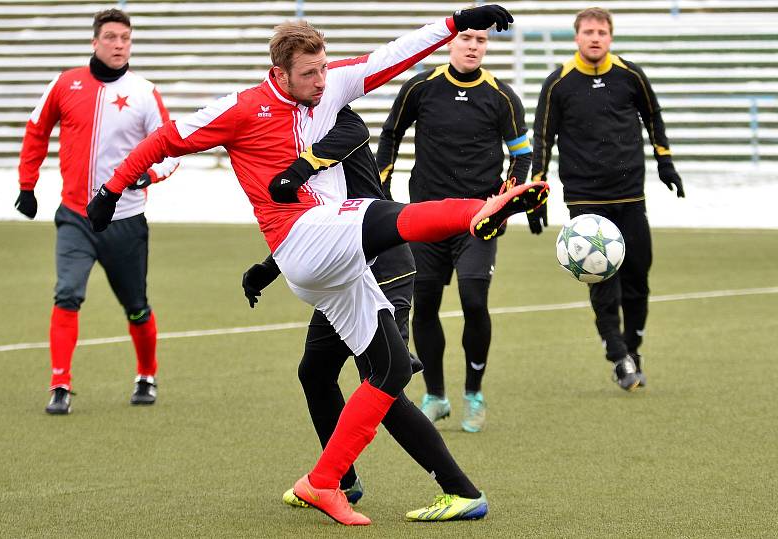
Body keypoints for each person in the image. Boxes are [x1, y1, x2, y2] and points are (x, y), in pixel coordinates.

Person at [86, 7, 548, 525]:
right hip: (303, 239)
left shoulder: (331, 91)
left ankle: (340, 483)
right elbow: (166, 138)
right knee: (378, 218)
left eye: (324, 69)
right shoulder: (242, 108)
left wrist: (454, 22)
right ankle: (475, 213)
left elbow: (393, 56)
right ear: (279, 73)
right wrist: (111, 188)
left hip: (341, 251)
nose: (321, 81)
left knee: (386, 370)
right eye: (309, 73)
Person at [242, 105, 488, 522]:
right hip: (344, 271)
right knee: (315, 372)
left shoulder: (342, 126)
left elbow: (340, 217)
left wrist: (294, 169)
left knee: (384, 385)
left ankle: (461, 492)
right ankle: (341, 481)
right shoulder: (305, 132)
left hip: (381, 270)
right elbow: (316, 224)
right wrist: (269, 267)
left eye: (318, 74)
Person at [14, 8, 179, 414]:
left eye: (125, 37)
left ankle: (146, 374)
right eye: (110, 37)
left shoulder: (144, 91)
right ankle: (60, 384)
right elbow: (37, 130)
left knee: (136, 305)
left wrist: (150, 176)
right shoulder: (65, 83)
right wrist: (27, 184)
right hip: (74, 216)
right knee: (67, 294)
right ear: (95, 41)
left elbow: (172, 149)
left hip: (125, 220)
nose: (119, 44)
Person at [375, 27, 533, 432]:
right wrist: (384, 186)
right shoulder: (421, 88)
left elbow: (521, 155)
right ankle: (436, 395)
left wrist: (505, 201)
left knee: (473, 299)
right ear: (451, 43)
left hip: (477, 219)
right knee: (423, 306)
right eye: (466, 39)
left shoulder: (502, 96)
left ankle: (474, 394)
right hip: (425, 215)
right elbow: (391, 134)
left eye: (481, 41)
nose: (473, 47)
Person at [531, 7, 684, 391]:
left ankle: (632, 349)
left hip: (631, 194)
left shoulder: (630, 75)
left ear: (610, 37)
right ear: (576, 37)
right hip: (585, 198)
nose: (595, 37)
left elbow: (654, 117)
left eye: (601, 31)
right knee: (602, 279)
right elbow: (542, 138)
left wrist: (666, 164)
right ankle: (618, 356)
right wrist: (536, 192)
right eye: (588, 31)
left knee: (637, 277)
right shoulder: (558, 83)